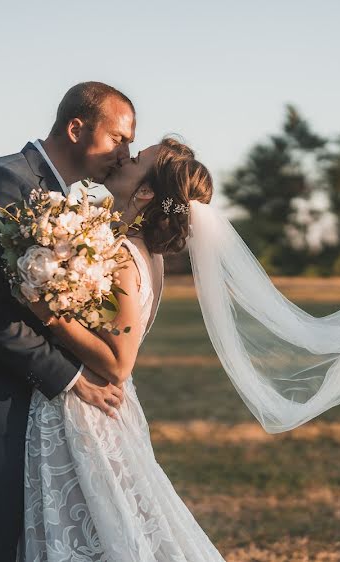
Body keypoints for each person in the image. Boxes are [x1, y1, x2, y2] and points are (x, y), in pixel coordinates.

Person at [0, 81, 137, 561]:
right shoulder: (6, 181)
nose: (127, 153)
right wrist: (74, 378)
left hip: (28, 406)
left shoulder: (61, 199)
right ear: (77, 128)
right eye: (119, 138)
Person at [19, 137, 222, 561]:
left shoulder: (126, 257)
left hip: (86, 414)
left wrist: (46, 312)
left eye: (138, 159)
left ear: (145, 192)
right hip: (98, 410)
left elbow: (118, 362)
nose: (126, 158)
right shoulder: (137, 251)